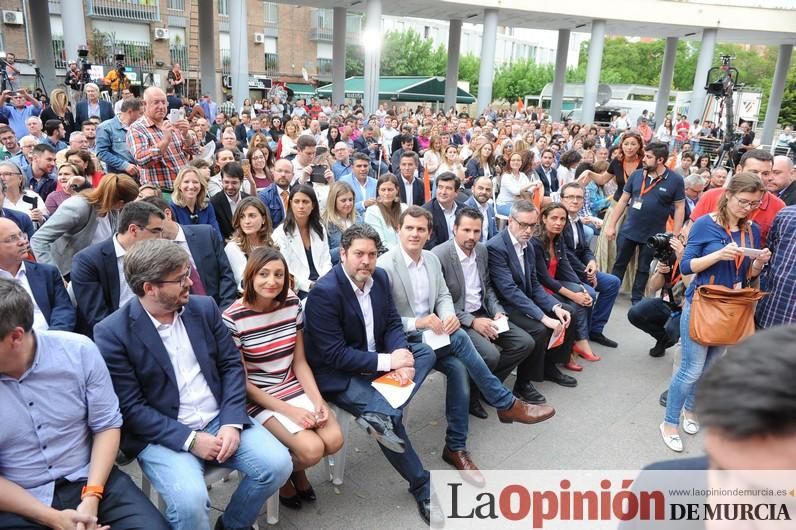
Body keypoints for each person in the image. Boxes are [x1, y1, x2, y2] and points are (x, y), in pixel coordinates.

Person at [93, 240, 292, 530]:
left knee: (279, 464)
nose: (190, 282)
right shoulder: (112, 333)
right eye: (180, 279)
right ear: (150, 288)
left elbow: (231, 367)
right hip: (164, 434)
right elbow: (131, 409)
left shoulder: (204, 308)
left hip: (217, 419)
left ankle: (234, 524)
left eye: (187, 274)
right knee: (190, 504)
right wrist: (191, 440)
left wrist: (232, 422)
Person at [379, 206, 555, 480]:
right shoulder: (385, 266)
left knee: (460, 368)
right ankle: (505, 402)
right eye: (409, 228)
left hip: (437, 334)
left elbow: (443, 296)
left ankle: (455, 448)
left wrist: (448, 315)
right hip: (406, 338)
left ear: (429, 233)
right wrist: (419, 323)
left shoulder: (430, 259)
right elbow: (384, 321)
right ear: (399, 230)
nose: (415, 234)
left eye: (421, 229)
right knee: (461, 338)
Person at [0, 279, 169, 530]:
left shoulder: (77, 352)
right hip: (18, 496)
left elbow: (106, 425)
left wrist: (92, 497)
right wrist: (52, 518)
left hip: (89, 477)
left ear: (15, 337)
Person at [302, 223, 440, 524]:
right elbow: (334, 355)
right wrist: (389, 361)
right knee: (389, 418)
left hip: (377, 358)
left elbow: (391, 323)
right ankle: (422, 486)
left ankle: (380, 413)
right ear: (342, 254)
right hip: (339, 374)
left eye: (372, 254)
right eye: (359, 254)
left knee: (425, 353)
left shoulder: (380, 277)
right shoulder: (325, 293)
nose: (366, 261)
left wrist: (401, 361)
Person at [223, 248, 343, 510]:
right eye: (263, 274)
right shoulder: (232, 318)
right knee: (311, 450)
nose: (272, 281)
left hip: (292, 384)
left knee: (334, 441)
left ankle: (294, 469)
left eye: (279, 274)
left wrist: (317, 401)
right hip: (259, 396)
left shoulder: (292, 303)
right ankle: (286, 475)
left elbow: (299, 362)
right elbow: (242, 383)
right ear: (250, 276)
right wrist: (291, 410)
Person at [660, 172, 771, 453]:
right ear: (728, 195)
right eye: (743, 201)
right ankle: (669, 422)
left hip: (733, 304)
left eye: (754, 204)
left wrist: (758, 261)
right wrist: (718, 255)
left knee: (710, 368)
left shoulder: (752, 230)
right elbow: (686, 267)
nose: (747, 208)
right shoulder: (705, 225)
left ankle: (692, 410)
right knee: (691, 368)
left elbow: (747, 273)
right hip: (703, 302)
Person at [432, 207, 536, 418]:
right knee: (490, 355)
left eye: (476, 231)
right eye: (466, 230)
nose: (472, 236)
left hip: (484, 312)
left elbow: (487, 287)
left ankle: (488, 387)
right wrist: (472, 322)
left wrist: (498, 312)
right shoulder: (439, 255)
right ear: (455, 229)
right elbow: (440, 302)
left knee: (524, 343)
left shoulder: (481, 251)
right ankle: (471, 397)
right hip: (458, 320)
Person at [487, 200, 578, 404]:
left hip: (523, 301)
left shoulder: (527, 245)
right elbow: (508, 291)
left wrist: (555, 307)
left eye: (532, 226)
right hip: (504, 306)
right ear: (510, 221)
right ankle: (523, 383)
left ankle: (549, 367)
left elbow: (535, 283)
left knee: (567, 313)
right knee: (539, 329)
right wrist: (543, 316)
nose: (528, 230)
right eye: (523, 225)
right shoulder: (496, 247)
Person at [606, 141, 685, 304]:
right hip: (629, 229)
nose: (644, 159)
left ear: (660, 160)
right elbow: (623, 200)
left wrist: (675, 235)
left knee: (643, 268)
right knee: (619, 263)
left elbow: (679, 207)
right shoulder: (637, 175)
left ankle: (636, 299)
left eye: (649, 157)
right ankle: (610, 293)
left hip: (654, 234)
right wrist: (611, 225)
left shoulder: (675, 180)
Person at [70, 201, 165, 337]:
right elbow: (97, 316)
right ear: (133, 230)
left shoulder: (156, 254)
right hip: (113, 334)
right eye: (156, 231)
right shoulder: (88, 261)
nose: (160, 238)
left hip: (155, 326)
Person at [531, 203, 601, 371]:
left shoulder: (558, 237)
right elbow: (544, 278)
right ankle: (567, 353)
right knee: (573, 307)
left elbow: (565, 266)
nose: (559, 222)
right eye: (554, 218)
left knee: (585, 294)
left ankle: (580, 341)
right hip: (540, 287)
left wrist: (580, 286)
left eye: (562, 219)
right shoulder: (536, 242)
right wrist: (573, 295)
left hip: (555, 283)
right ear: (544, 218)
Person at [31, 174, 138, 277]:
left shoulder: (112, 210)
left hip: (94, 271)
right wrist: (56, 276)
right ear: (120, 202)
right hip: (68, 272)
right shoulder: (78, 207)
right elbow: (38, 240)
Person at [140, 196, 237, 310]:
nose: (151, 234)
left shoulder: (206, 234)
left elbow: (226, 276)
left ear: (167, 214)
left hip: (220, 308)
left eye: (154, 228)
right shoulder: (153, 253)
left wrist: (224, 311)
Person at [558, 182, 621, 348]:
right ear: (561, 199)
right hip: (563, 273)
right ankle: (580, 338)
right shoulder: (558, 220)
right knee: (590, 293)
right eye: (570, 197)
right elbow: (564, 255)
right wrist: (587, 274)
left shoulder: (577, 220)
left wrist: (592, 261)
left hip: (581, 269)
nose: (575, 201)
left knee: (612, 282)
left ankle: (596, 329)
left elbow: (584, 248)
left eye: (579, 197)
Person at [690, 149, 785, 247]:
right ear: (739, 169)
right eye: (754, 172)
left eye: (765, 173)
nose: (759, 178)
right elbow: (690, 233)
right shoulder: (711, 196)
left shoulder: (779, 207)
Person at [0, 217, 75, 331]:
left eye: (22, 235)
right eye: (12, 238)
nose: (23, 242)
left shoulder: (47, 273)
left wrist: (51, 339)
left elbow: (63, 310)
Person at [128, 87, 199, 194]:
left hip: (183, 190)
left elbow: (195, 150)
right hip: (161, 193)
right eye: (156, 103)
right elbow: (142, 160)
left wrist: (186, 134)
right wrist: (165, 141)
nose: (161, 106)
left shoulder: (172, 123)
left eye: (163, 102)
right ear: (145, 104)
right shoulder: (137, 128)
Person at [272, 185, 332, 298]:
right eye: (296, 201)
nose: (301, 206)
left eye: (305, 202)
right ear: (290, 204)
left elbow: (326, 260)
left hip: (323, 282)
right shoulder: (280, 233)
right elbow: (286, 269)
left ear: (313, 205)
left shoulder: (319, 228)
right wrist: (310, 285)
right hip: (299, 288)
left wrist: (323, 281)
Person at [756, 205, 796, 328]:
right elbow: (768, 255)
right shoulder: (787, 214)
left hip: (770, 314)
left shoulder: (787, 213)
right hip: (772, 310)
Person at [223, 196, 275, 290]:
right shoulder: (233, 247)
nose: (246, 221)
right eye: (242, 217)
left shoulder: (272, 242)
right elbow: (243, 282)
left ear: (263, 219)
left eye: (252, 216)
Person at [169, 166, 222, 237]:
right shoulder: (172, 208)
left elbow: (217, 235)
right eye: (186, 182)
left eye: (195, 182)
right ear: (179, 185)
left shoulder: (207, 205)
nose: (191, 186)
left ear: (201, 185)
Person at [96, 97, 142, 179]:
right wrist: (124, 165)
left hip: (141, 176)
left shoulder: (140, 127)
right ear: (130, 112)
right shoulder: (106, 127)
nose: (142, 117)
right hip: (120, 178)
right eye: (140, 113)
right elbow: (101, 153)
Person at [422, 172, 465, 249]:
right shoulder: (426, 212)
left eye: (448, 188)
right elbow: (430, 245)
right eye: (440, 187)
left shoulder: (464, 210)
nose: (443, 192)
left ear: (456, 192)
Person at [364, 173, 406, 252]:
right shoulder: (372, 211)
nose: (386, 193)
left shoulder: (404, 208)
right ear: (378, 191)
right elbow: (380, 241)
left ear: (397, 190)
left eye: (390, 190)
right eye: (383, 190)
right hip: (385, 255)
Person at [322, 181, 359, 265]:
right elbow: (324, 256)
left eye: (350, 200)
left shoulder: (358, 219)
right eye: (343, 200)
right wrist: (347, 247)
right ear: (334, 201)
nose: (348, 204)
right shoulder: (325, 224)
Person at [0, 161, 46, 228]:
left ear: (20, 178)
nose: (2, 177)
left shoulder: (32, 196)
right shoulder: (1, 200)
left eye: (7, 174)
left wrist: (40, 219)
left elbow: (47, 221)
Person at [210, 162, 250, 240]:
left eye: (234, 183)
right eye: (226, 182)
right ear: (221, 181)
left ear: (241, 182)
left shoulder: (248, 200)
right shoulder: (214, 203)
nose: (230, 187)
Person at [496, 152, 540, 216]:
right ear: (509, 162)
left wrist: (534, 186)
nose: (516, 162)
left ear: (521, 162)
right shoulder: (506, 176)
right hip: (504, 204)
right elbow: (516, 191)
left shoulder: (522, 175)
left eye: (518, 160)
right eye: (513, 160)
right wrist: (532, 184)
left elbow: (530, 190)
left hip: (518, 204)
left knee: (534, 211)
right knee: (523, 214)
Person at [258, 158, 294, 229]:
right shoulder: (264, 196)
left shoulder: (297, 193)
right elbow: (264, 226)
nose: (283, 174)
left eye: (287, 172)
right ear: (273, 172)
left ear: (293, 175)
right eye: (279, 171)